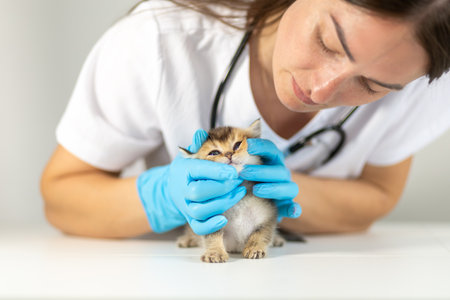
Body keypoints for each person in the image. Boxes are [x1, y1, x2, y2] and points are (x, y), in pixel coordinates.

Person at [40, 0, 450, 238]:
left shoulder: (418, 87)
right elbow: (62, 198)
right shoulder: (158, 43)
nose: (322, 91)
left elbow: (377, 196)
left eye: (373, 84)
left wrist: (279, 191)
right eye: (326, 41)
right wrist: (162, 194)